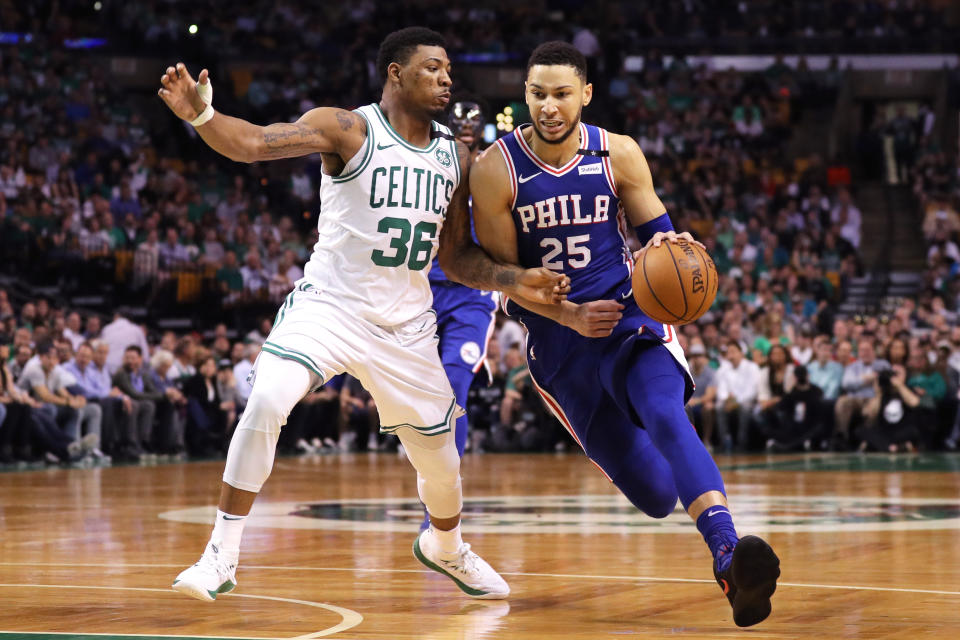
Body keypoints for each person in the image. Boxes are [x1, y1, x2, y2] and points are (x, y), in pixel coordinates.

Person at [158, 27, 566, 602]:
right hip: (331, 306)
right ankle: (221, 553)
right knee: (269, 398)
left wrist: (516, 281)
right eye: (431, 67)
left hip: (407, 327)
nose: (446, 77)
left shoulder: (456, 154)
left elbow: (456, 258)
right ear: (396, 73)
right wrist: (203, 116)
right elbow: (251, 143)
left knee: (443, 466)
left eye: (449, 68)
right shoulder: (345, 127)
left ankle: (446, 548)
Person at [464, 42, 779, 626]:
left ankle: (728, 555)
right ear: (525, 96)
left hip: (629, 314)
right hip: (557, 345)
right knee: (657, 497)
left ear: (585, 93)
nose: (549, 106)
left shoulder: (619, 153)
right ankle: (700, 522)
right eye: (538, 94)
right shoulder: (495, 169)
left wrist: (673, 249)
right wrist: (569, 317)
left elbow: (657, 232)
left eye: (561, 93)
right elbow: (511, 285)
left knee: (665, 412)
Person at [418, 96, 499, 530]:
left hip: (473, 293)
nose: (466, 129)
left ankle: (442, 502)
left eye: (473, 124)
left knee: (453, 388)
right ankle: (432, 485)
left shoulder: (496, 168)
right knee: (426, 401)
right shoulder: (428, 164)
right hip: (424, 291)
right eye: (459, 124)